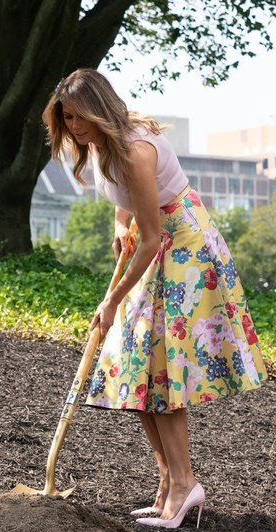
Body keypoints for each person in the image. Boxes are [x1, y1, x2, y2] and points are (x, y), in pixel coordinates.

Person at [42, 68, 268, 529]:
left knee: (163, 370)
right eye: (66, 118)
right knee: (140, 369)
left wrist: (112, 303)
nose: (74, 127)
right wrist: (119, 223)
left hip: (184, 250)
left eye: (79, 116)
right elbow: (131, 206)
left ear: (100, 109)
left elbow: (154, 236)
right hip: (158, 242)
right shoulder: (102, 145)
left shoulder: (136, 150)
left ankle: (185, 485)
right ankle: (168, 482)